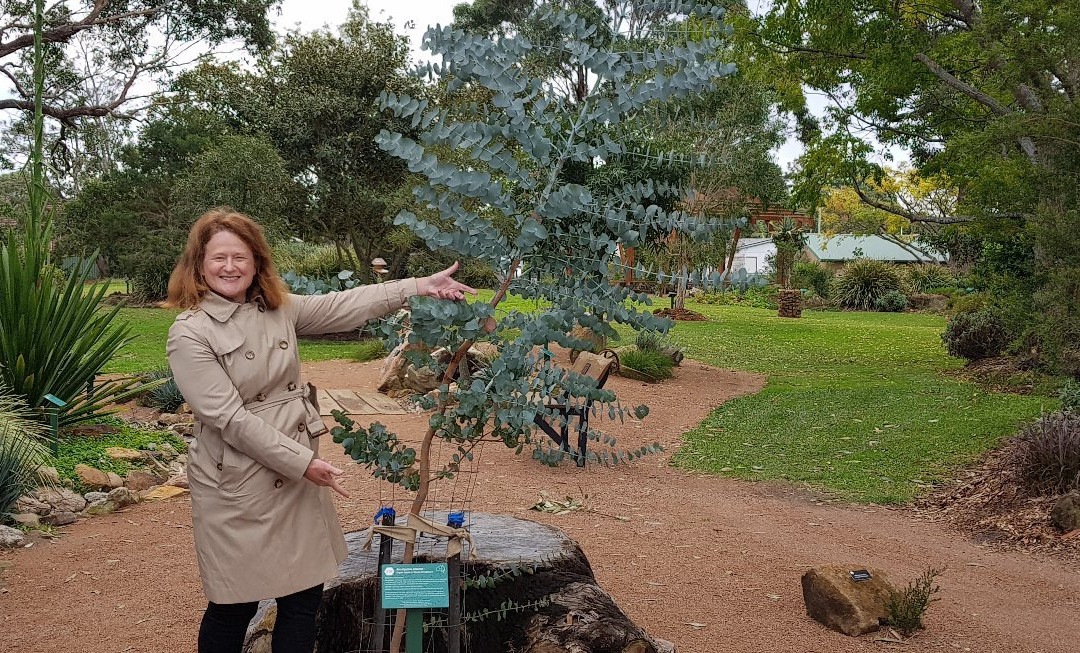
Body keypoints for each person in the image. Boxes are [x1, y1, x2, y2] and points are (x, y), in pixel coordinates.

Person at [164, 208, 475, 653]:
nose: (230, 267)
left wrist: (415, 287)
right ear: (199, 265)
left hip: (293, 472)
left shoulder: (276, 309)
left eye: (240, 257)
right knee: (234, 603)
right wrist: (303, 463)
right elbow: (229, 419)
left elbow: (341, 305)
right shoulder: (189, 333)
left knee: (303, 597)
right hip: (236, 481)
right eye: (218, 258)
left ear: (256, 263)